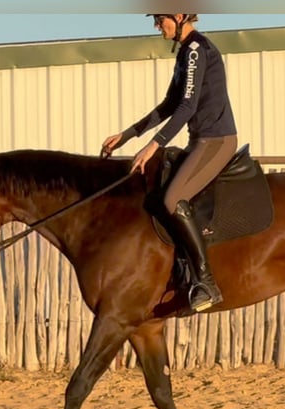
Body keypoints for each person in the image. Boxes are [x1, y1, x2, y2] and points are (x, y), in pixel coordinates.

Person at [101, 14, 238, 312]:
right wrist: (128, 134)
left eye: (160, 19)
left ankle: (206, 282)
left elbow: (187, 107)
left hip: (217, 141)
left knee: (174, 198)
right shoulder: (184, 53)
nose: (156, 26)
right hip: (200, 141)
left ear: (179, 16)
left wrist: (154, 145)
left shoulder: (196, 51)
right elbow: (168, 105)